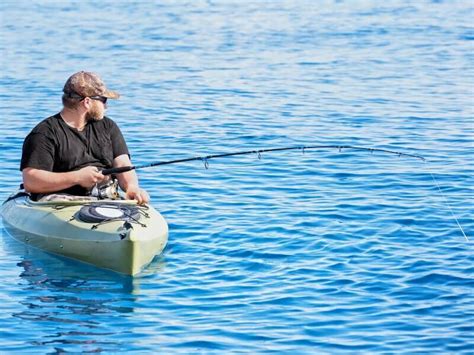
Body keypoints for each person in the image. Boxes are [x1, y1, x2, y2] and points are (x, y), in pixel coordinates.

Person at [20, 71, 149, 204]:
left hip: (105, 198)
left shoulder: (108, 126)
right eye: (103, 100)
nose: (106, 106)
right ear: (87, 102)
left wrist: (131, 187)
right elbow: (31, 181)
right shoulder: (44, 133)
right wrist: (77, 177)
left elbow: (123, 163)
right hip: (61, 202)